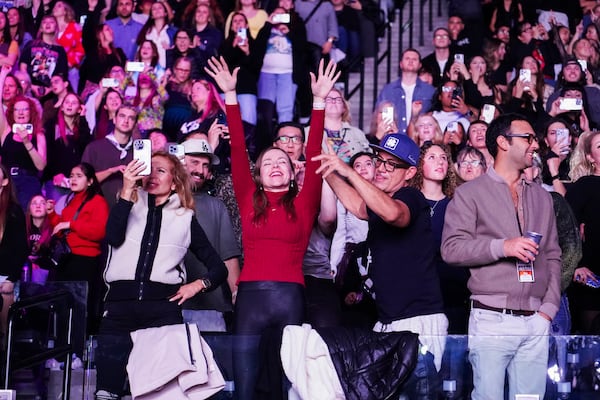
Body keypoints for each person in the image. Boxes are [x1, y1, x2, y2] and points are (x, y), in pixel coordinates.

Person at [205, 55, 339, 400]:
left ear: (294, 170)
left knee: (285, 387)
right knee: (246, 388)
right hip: (250, 298)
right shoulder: (249, 196)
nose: (276, 165)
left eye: (283, 161)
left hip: (291, 297)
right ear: (259, 172)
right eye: (268, 162)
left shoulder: (304, 200)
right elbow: (236, 146)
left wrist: (320, 102)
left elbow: (312, 148)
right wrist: (231, 97)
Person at [314, 131, 447, 398]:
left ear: (409, 173)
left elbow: (394, 213)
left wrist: (350, 172)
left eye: (391, 164)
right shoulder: (379, 202)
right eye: (379, 160)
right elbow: (359, 207)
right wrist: (327, 170)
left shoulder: (411, 196)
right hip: (389, 322)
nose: (381, 169)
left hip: (419, 323)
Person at [441, 113, 561, 400]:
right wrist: (502, 247)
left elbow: (554, 254)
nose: (535, 144)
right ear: (502, 143)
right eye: (528, 138)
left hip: (536, 319)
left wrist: (549, 309)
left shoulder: (543, 197)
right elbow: (451, 249)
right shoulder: (469, 194)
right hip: (491, 318)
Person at [94, 151, 228, 400]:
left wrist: (196, 286)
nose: (152, 175)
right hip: (119, 309)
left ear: (175, 181)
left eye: (161, 170)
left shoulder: (185, 218)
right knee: (106, 392)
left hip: (162, 312)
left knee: (158, 392)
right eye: (149, 168)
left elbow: (219, 269)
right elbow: (112, 238)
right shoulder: (127, 204)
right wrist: (126, 190)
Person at [181, 137, 241, 332]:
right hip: (168, 307)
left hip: (210, 308)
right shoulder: (160, 200)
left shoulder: (217, 206)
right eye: (195, 162)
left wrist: (235, 294)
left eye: (206, 165)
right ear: (180, 163)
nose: (201, 170)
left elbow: (228, 256)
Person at [49, 163, 109, 356]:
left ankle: (77, 353)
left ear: (90, 181)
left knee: (80, 308)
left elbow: (99, 232)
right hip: (67, 259)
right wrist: (52, 215)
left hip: (85, 261)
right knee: (63, 308)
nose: (73, 179)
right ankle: (61, 354)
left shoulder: (98, 202)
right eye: (71, 175)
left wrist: (71, 224)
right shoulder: (70, 200)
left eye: (79, 176)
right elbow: (60, 229)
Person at [565, 130, 600, 334]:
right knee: (591, 347)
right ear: (590, 157)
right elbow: (564, 229)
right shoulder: (584, 186)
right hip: (593, 277)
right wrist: (575, 266)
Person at [0, 65, 47, 210]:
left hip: (29, 182)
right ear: (12, 113)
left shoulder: (38, 134)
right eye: (17, 109)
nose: (21, 113)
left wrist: (27, 142)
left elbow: (41, 165)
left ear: (30, 112)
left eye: (25, 109)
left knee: (26, 222)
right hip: (8, 182)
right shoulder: (6, 130)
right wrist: (2, 76)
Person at [81, 104, 136, 208]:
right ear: (114, 119)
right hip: (99, 210)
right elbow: (83, 181)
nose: (126, 121)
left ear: (135, 124)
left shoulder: (140, 151)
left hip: (132, 210)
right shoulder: (94, 148)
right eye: (122, 116)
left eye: (131, 118)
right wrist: (111, 171)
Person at [376, 48, 435, 134]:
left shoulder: (429, 91)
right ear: (401, 64)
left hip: (419, 141)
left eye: (414, 59)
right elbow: (378, 116)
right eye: (407, 58)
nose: (411, 61)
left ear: (420, 65)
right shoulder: (388, 90)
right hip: (394, 139)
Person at [0, 163, 28, 338]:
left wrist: (11, 278)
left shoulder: (12, 210)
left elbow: (20, 248)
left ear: (4, 182)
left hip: (3, 278)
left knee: (3, 332)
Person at [19, 15, 68, 98]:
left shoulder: (60, 50)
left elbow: (61, 74)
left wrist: (49, 89)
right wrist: (31, 87)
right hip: (29, 89)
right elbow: (23, 68)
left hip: (51, 92)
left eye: (51, 22)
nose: (48, 24)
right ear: (41, 28)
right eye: (45, 22)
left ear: (56, 27)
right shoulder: (31, 45)